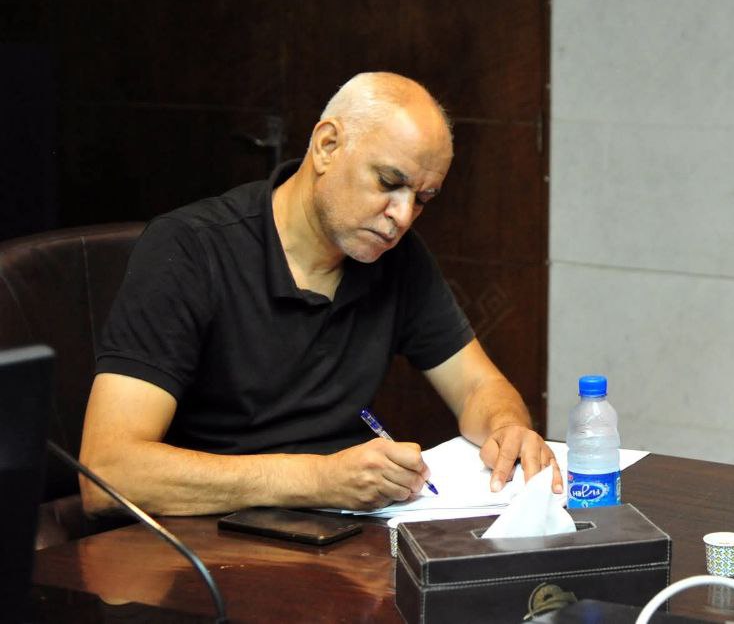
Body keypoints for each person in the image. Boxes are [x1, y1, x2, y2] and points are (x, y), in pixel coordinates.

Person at [80, 72, 559, 516]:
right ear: (327, 145)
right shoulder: (191, 248)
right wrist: (316, 479)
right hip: (211, 536)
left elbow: (477, 386)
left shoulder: (397, 257)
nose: (402, 216)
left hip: (341, 526)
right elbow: (107, 474)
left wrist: (507, 427)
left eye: (422, 199)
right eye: (389, 183)